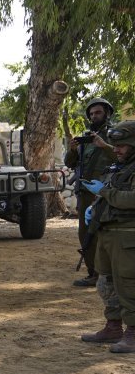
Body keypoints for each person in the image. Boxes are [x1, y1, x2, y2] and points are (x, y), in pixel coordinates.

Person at [78, 121, 135, 353]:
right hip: (108, 233)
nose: (117, 149)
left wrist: (103, 191)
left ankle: (133, 331)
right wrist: (95, 207)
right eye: (116, 145)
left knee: (128, 285)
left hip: (128, 235)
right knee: (106, 282)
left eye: (122, 146)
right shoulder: (119, 167)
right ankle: (113, 326)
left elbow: (130, 199)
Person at [65, 96, 117, 286]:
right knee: (86, 232)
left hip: (108, 191)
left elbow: (124, 157)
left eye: (98, 113)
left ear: (107, 114)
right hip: (87, 193)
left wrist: (104, 145)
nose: (94, 116)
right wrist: (72, 150)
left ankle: (107, 273)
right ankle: (93, 272)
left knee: (106, 232)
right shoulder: (86, 138)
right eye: (92, 114)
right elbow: (69, 163)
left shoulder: (115, 135)